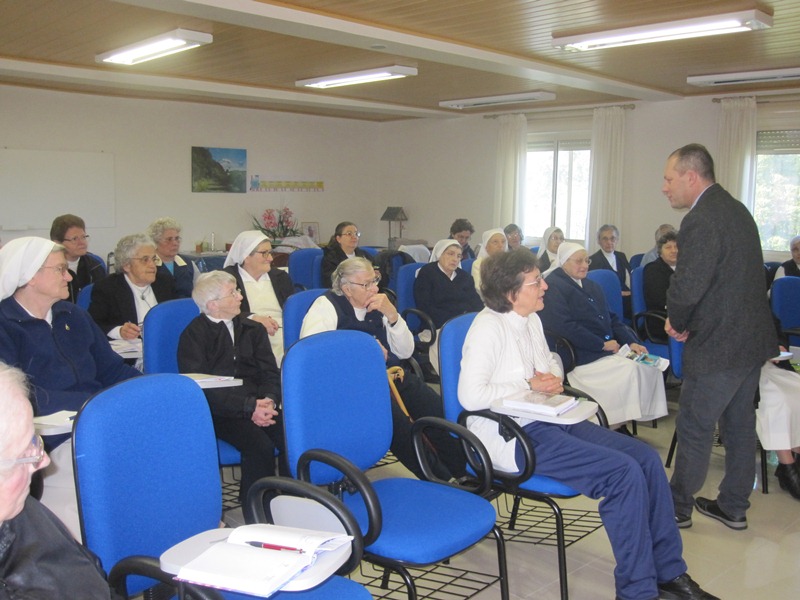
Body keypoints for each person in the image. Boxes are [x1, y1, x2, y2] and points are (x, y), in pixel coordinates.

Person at [459, 249, 717, 600]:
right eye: (537, 281)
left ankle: (669, 573)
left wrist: (549, 377)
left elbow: (550, 364)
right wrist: (530, 384)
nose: (546, 286)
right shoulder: (487, 328)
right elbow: (471, 397)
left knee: (646, 459)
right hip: (512, 435)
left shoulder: (531, 320)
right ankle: (637, 592)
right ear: (510, 292)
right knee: (622, 473)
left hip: (550, 417)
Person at [662, 143, 777, 530]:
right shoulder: (737, 209)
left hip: (719, 344)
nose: (665, 187)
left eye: (669, 179)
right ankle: (733, 505)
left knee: (694, 424)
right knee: (739, 425)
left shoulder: (700, 219)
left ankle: (677, 507)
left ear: (691, 177)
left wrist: (675, 320)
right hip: (749, 341)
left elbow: (689, 284)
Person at [643, 230, 800, 501]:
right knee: (774, 399)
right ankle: (787, 467)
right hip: (726, 366)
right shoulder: (700, 292)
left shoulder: (748, 291)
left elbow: (770, 324)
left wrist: (778, 346)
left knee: (796, 390)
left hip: (760, 362)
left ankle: (794, 456)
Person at [0, 237, 140, 539]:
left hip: (95, 422)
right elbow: (21, 398)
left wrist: (153, 390)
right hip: (50, 441)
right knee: (106, 493)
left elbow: (111, 369)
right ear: (30, 276)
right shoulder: (4, 325)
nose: (70, 276)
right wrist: (96, 404)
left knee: (155, 464)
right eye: (60, 269)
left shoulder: (74, 315)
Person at [300, 257, 466, 481]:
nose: (374, 289)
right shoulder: (325, 306)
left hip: (391, 375)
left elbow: (406, 351)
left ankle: (463, 472)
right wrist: (364, 351)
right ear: (346, 288)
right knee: (401, 427)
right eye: (366, 284)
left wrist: (393, 315)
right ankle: (441, 480)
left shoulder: (379, 304)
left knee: (436, 409)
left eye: (374, 281)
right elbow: (312, 356)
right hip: (355, 387)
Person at [0, 363, 120, 599]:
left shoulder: (23, 512)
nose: (43, 461)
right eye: (26, 453)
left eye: (35, 442)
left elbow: (92, 581)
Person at [178, 271, 288, 505]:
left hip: (259, 403)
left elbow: (270, 372)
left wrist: (269, 399)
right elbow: (202, 389)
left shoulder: (252, 329)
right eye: (233, 293)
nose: (240, 297)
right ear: (213, 305)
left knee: (292, 434)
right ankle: (257, 508)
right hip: (219, 411)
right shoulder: (193, 336)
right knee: (260, 446)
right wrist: (249, 408)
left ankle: (292, 498)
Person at [538, 242, 667, 430]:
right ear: (564, 262)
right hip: (579, 352)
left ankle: (623, 419)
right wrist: (601, 344)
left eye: (587, 260)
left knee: (649, 365)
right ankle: (612, 422)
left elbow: (612, 318)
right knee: (630, 370)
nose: (584, 265)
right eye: (578, 261)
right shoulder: (554, 287)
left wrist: (632, 342)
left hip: (607, 347)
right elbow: (564, 327)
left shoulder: (591, 285)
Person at [223, 231, 295, 365]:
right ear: (246, 256)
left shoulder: (280, 277)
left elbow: (293, 311)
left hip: (284, 331)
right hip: (249, 335)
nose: (271, 258)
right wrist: (254, 318)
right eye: (264, 253)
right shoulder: (227, 279)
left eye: (270, 252)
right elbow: (223, 313)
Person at [415, 239, 484, 374]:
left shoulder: (464, 277)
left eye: (458, 256)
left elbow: (476, 304)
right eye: (450, 254)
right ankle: (449, 379)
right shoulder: (427, 273)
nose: (455, 259)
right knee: (450, 341)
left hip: (462, 323)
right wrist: (455, 322)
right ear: (440, 254)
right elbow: (425, 306)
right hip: (437, 325)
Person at [89, 234, 175, 340]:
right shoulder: (107, 288)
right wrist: (119, 331)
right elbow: (93, 324)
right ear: (126, 265)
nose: (152, 265)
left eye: (154, 259)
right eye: (145, 260)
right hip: (129, 352)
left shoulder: (164, 282)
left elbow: (176, 317)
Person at [49, 213, 106, 303]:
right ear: (57, 243)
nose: (82, 243)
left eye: (83, 237)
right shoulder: (48, 270)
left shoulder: (96, 265)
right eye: (74, 239)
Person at [642, 230, 679, 343]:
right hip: (662, 322)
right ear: (660, 252)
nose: (673, 250)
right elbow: (661, 301)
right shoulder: (652, 269)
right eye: (668, 247)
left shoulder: (685, 269)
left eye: (676, 246)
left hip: (681, 317)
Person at [588, 224, 632, 319]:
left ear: (617, 240)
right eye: (605, 239)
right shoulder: (592, 260)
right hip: (607, 300)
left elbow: (629, 280)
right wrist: (620, 293)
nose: (609, 242)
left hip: (626, 298)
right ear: (599, 241)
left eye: (612, 238)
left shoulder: (621, 256)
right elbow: (595, 289)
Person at [147, 216, 196, 298]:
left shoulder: (188, 263)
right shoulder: (149, 264)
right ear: (156, 241)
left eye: (177, 238)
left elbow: (201, 290)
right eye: (169, 239)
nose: (175, 243)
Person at [321, 221, 371, 288]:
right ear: (338, 239)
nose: (354, 237)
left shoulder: (364, 255)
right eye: (349, 234)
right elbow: (332, 282)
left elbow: (375, 270)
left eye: (356, 234)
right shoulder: (331, 258)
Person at [471, 228, 508, 296]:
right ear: (486, 247)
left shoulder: (510, 263)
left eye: (503, 242)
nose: (500, 245)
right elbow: (480, 288)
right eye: (495, 242)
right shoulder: (478, 264)